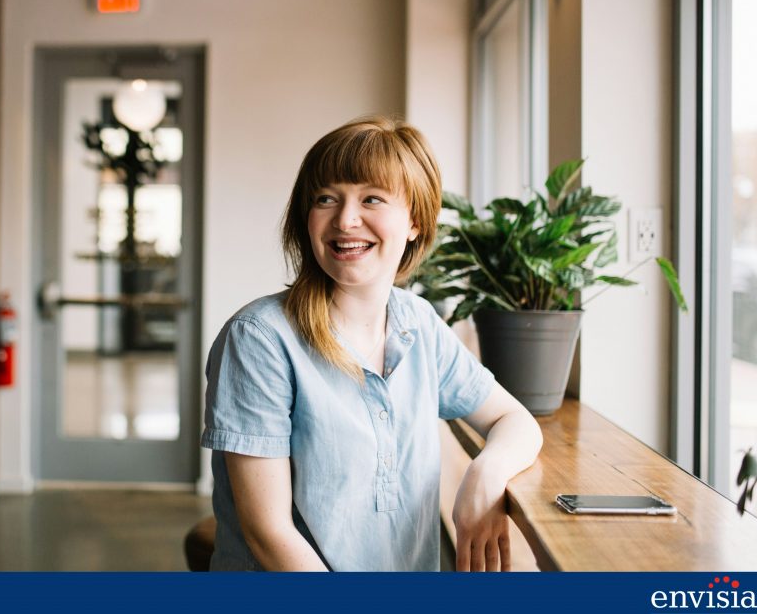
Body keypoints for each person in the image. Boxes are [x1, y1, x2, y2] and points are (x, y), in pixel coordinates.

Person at [201, 116, 542, 571]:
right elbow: (269, 535)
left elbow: (514, 419)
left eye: (371, 199)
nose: (345, 220)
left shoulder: (418, 322)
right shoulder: (259, 338)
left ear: (416, 221)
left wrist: (486, 474)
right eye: (326, 199)